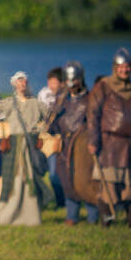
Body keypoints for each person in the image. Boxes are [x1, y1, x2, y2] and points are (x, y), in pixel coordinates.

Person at [87, 48, 131, 228]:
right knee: (109, 187)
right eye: (121, 67)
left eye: (127, 67)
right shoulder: (103, 87)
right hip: (110, 145)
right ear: (115, 68)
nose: (124, 70)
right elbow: (93, 115)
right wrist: (93, 141)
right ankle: (107, 223)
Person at [0, 72, 51, 226]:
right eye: (20, 80)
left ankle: (31, 217)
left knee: (30, 179)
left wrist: (41, 133)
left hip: (30, 146)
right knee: (12, 180)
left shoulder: (36, 103)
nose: (23, 83)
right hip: (15, 146)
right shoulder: (9, 103)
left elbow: (49, 117)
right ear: (14, 84)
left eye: (25, 80)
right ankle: (6, 216)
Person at [48, 61, 98, 225]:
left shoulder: (90, 99)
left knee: (87, 180)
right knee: (67, 179)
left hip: (83, 146)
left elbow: (94, 123)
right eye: (69, 81)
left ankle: (92, 217)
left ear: (80, 79)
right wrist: (52, 117)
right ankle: (72, 216)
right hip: (65, 145)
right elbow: (52, 127)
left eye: (74, 80)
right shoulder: (61, 99)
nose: (72, 84)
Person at [38, 67, 66, 208]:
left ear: (62, 83)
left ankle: (62, 203)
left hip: (58, 140)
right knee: (42, 172)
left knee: (56, 175)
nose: (51, 85)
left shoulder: (66, 97)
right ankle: (44, 201)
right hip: (44, 139)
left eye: (54, 82)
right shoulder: (44, 94)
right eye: (50, 82)